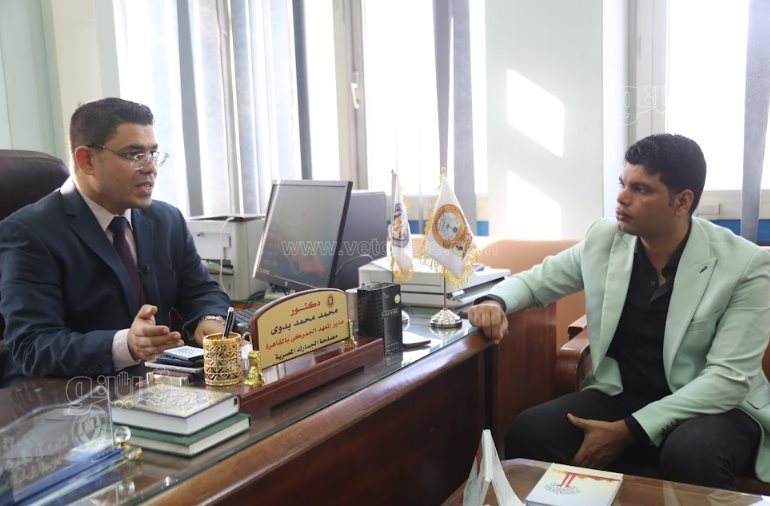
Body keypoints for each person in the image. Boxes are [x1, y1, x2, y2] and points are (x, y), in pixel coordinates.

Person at [469, 133, 770, 490]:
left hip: (712, 405)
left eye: (641, 189)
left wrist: (627, 431)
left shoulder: (747, 264)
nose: (622, 198)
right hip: (623, 393)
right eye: (622, 183)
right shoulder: (605, 239)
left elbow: (727, 379)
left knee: (692, 454)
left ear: (682, 201)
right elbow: (535, 282)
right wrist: (494, 302)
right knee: (530, 431)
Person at [0, 98, 231, 386]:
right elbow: (32, 346)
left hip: (154, 386)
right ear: (86, 160)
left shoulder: (166, 219)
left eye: (153, 153)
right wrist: (126, 345)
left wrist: (210, 320)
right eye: (134, 155)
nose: (151, 168)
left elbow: (201, 291)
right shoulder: (28, 233)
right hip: (67, 395)